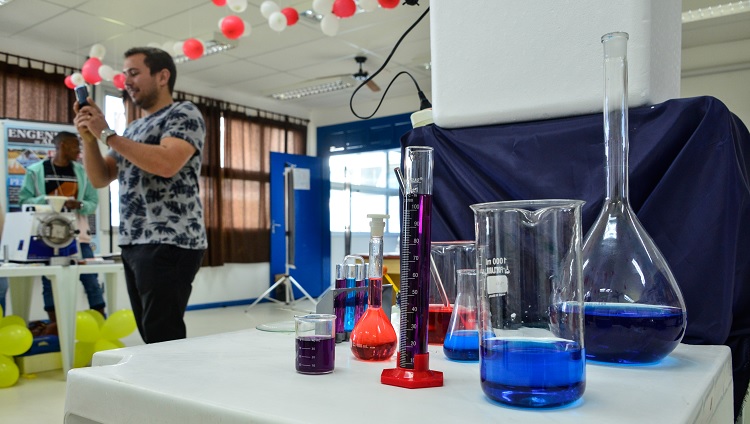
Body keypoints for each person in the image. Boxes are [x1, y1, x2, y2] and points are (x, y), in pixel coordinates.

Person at [73, 47, 207, 344]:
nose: (127, 81)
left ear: (162, 76)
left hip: (171, 240)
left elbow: (166, 163)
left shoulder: (183, 113)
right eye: (124, 75)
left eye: (134, 73)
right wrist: (90, 139)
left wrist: (108, 134)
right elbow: (100, 178)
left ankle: (174, 388)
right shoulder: (133, 129)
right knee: (151, 334)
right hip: (135, 241)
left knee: (162, 334)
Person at [18, 131, 105, 335]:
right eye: (76, 145)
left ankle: (101, 324)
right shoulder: (36, 171)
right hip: (47, 238)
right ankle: (55, 328)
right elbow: (24, 201)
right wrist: (50, 200)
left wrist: (79, 204)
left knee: (90, 279)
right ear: (63, 145)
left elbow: (92, 203)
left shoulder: (82, 172)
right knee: (50, 283)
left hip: (78, 236)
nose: (79, 150)